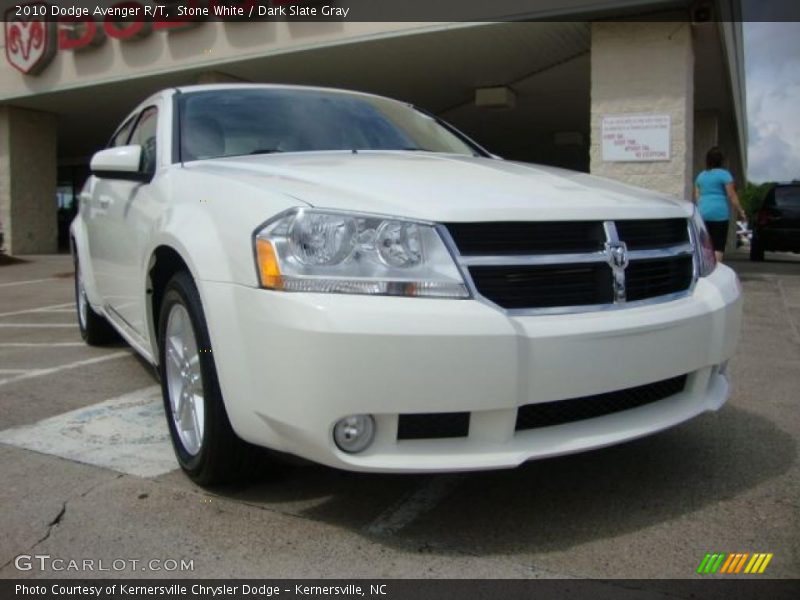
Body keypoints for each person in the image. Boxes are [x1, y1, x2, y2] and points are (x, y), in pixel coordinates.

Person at [694, 147, 747, 262]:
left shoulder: (701, 176)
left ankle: (705, 271)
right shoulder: (725, 175)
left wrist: (701, 209)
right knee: (718, 246)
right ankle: (717, 272)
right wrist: (741, 211)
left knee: (705, 246)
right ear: (721, 161)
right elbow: (731, 195)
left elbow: (697, 197)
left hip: (703, 213)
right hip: (720, 214)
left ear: (707, 160)